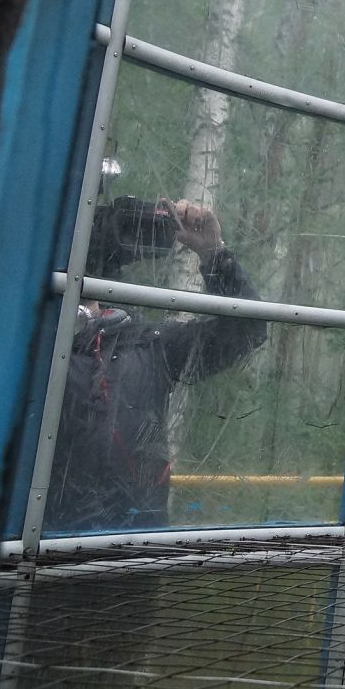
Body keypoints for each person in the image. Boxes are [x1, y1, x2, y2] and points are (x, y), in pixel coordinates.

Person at [45, 196, 266, 532]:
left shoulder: (147, 342)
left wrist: (213, 252)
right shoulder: (33, 340)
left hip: (132, 551)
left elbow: (246, 329)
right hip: (36, 545)